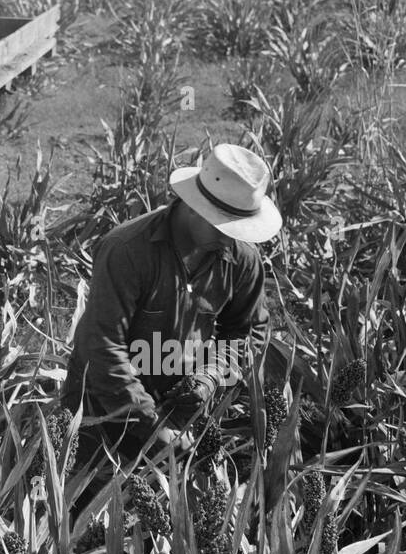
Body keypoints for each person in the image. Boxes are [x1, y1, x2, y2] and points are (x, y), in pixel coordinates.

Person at [63, 143, 280, 469]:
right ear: (194, 206)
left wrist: (209, 376)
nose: (229, 240)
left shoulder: (241, 259)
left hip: (181, 407)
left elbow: (248, 332)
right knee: (87, 506)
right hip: (103, 406)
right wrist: (150, 423)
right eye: (224, 228)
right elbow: (102, 345)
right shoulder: (127, 250)